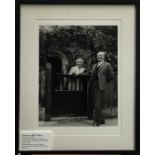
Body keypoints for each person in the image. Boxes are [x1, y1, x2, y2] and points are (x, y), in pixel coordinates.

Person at [88, 51, 114, 126]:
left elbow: (111, 76)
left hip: (100, 86)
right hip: (92, 85)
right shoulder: (94, 65)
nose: (99, 57)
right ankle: (101, 119)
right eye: (98, 56)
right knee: (94, 103)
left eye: (101, 55)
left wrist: (103, 81)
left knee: (97, 104)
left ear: (104, 57)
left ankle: (96, 121)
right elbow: (89, 73)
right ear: (97, 57)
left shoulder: (107, 65)